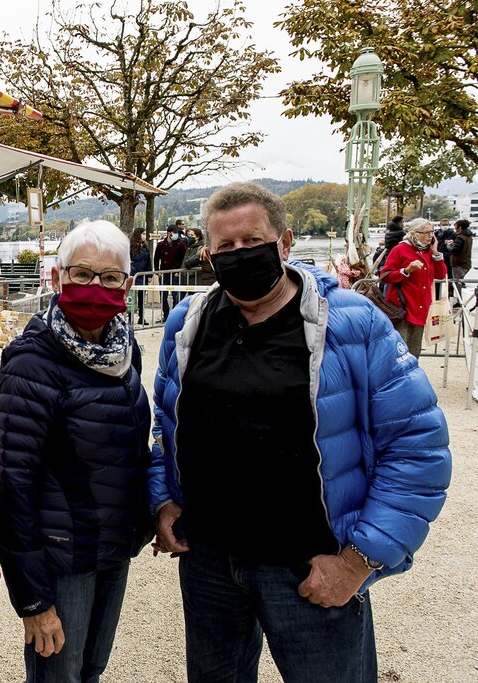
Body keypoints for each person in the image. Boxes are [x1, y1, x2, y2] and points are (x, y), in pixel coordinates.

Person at [150, 182, 450, 683]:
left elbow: (418, 447)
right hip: (210, 564)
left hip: (312, 567)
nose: (240, 255)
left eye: (253, 241)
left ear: (285, 243)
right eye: (225, 247)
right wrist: (163, 501)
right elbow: (166, 427)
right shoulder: (188, 323)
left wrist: (359, 561)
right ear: (208, 255)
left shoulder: (352, 323)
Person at [0, 220, 153, 683]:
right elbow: (13, 488)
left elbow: (131, 448)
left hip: (111, 547)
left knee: (91, 670)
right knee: (57, 676)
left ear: (126, 285)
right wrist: (33, 599)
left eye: (108, 277)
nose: (94, 286)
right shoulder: (32, 363)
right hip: (61, 558)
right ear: (56, 278)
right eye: (81, 274)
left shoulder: (124, 350)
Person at [380, 218, 447, 357]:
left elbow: (441, 275)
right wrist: (406, 271)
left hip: (421, 308)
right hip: (402, 308)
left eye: (432, 232)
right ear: (414, 234)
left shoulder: (428, 252)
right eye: (426, 232)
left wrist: (436, 254)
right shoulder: (400, 249)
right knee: (399, 351)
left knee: (414, 351)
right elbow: (385, 276)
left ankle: (412, 378)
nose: (430, 236)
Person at [153, 226, 187, 318]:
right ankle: (166, 314)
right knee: (163, 295)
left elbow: (184, 259)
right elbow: (156, 258)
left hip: (175, 273)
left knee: (176, 295)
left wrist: (179, 271)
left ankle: (175, 315)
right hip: (164, 273)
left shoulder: (180, 245)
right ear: (168, 233)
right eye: (173, 233)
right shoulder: (161, 245)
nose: (175, 235)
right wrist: (157, 271)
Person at [129, 228, 152, 325]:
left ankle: (141, 317)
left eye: (145, 234)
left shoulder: (145, 247)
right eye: (143, 234)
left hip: (142, 275)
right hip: (133, 275)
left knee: (142, 298)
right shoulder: (131, 247)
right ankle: (130, 317)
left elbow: (148, 261)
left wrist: (149, 274)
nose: (144, 236)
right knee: (132, 298)